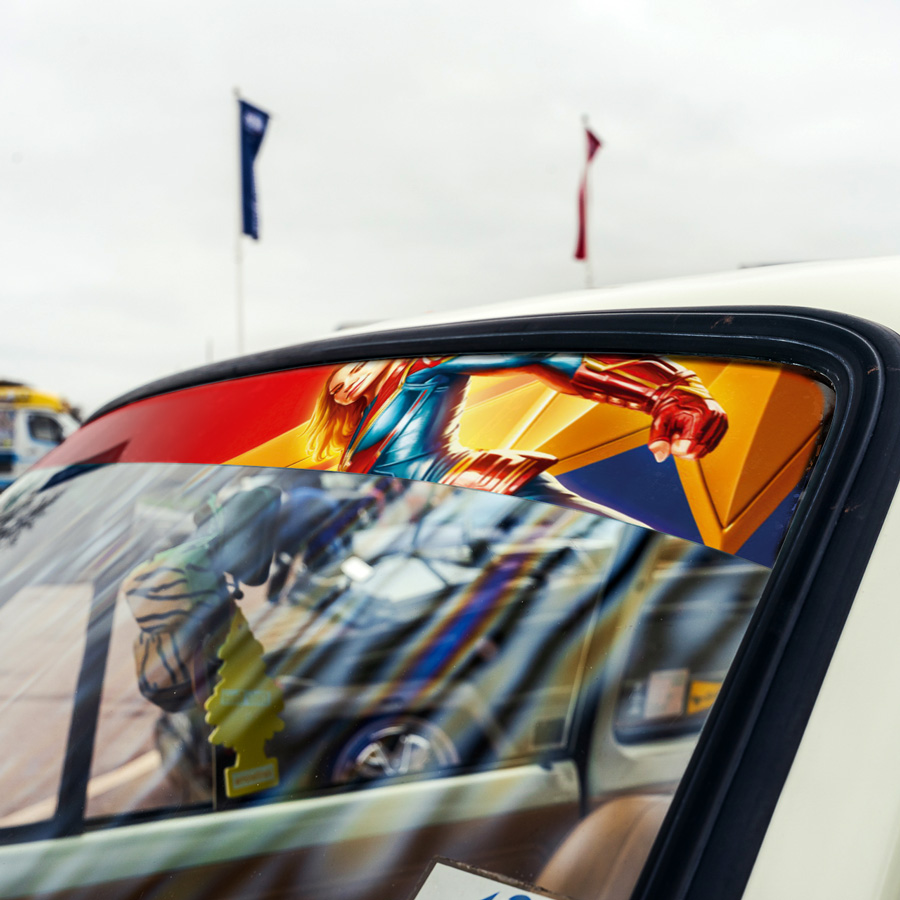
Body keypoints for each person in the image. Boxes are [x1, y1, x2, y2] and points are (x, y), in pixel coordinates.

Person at [304, 353, 727, 515]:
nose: (348, 385)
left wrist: (667, 391)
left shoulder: (421, 365)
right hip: (442, 525)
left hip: (488, 490)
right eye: (338, 388)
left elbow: (540, 354)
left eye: (353, 369)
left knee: (645, 552)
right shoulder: (356, 440)